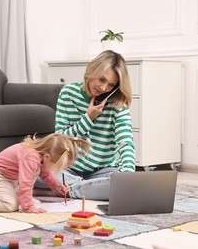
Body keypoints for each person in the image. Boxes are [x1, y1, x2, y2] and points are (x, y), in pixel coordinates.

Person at [34, 50, 135, 201]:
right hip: (68, 169)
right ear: (92, 70)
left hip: (103, 170)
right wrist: (88, 118)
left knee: (124, 184)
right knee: (34, 172)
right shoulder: (68, 93)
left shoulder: (118, 102)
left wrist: (127, 176)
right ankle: (88, 188)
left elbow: (125, 142)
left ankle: (67, 190)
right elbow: (60, 140)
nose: (103, 88)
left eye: (111, 85)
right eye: (102, 79)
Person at [0, 133, 90, 213]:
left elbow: (46, 174)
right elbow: (26, 183)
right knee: (11, 206)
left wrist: (57, 186)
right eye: (57, 167)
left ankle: (20, 199)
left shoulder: (41, 155)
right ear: (48, 157)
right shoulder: (30, 157)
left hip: (11, 179)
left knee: (33, 202)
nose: (57, 170)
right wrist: (28, 208)